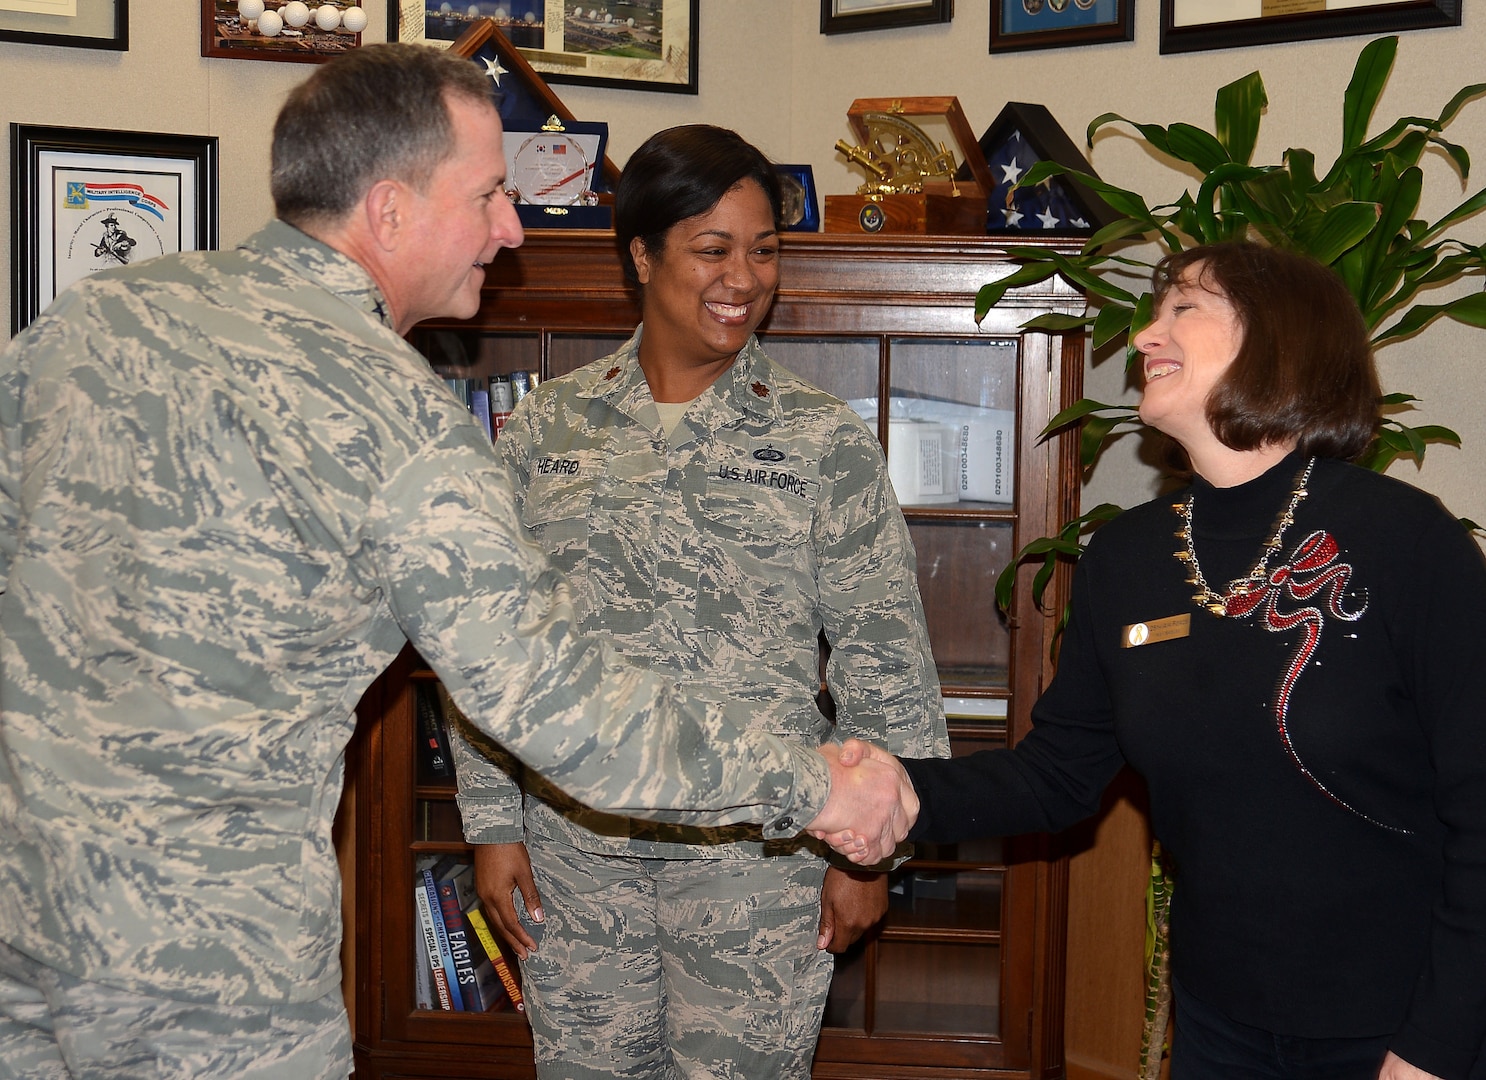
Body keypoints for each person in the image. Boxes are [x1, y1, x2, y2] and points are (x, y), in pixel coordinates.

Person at [0, 48, 916, 1080]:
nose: (513, 230)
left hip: (21, 905)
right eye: (488, 195)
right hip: (207, 957)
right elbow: (548, 696)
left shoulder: (94, 318)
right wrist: (815, 791)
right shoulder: (399, 418)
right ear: (388, 211)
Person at [825, 243, 1486, 1080]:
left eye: (1184, 309)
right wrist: (895, 788)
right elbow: (1056, 776)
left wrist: (1434, 1045)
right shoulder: (1126, 558)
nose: (1143, 336)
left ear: (1277, 340)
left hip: (1402, 1028)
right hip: (1219, 1023)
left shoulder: (1407, 541)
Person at [448, 124, 949, 1079]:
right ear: (642, 255)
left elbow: (885, 660)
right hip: (576, 854)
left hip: (757, 863)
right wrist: (493, 825)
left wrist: (867, 858)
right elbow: (486, 639)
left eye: (764, 251)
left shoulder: (819, 439)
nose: (744, 277)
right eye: (713, 249)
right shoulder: (548, 427)